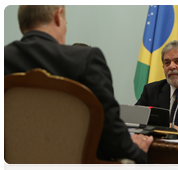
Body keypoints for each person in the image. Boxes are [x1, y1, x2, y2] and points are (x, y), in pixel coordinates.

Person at [4, 5, 153, 166]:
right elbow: (111, 136)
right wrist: (136, 151)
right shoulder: (85, 60)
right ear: (57, 16)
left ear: (21, 25)